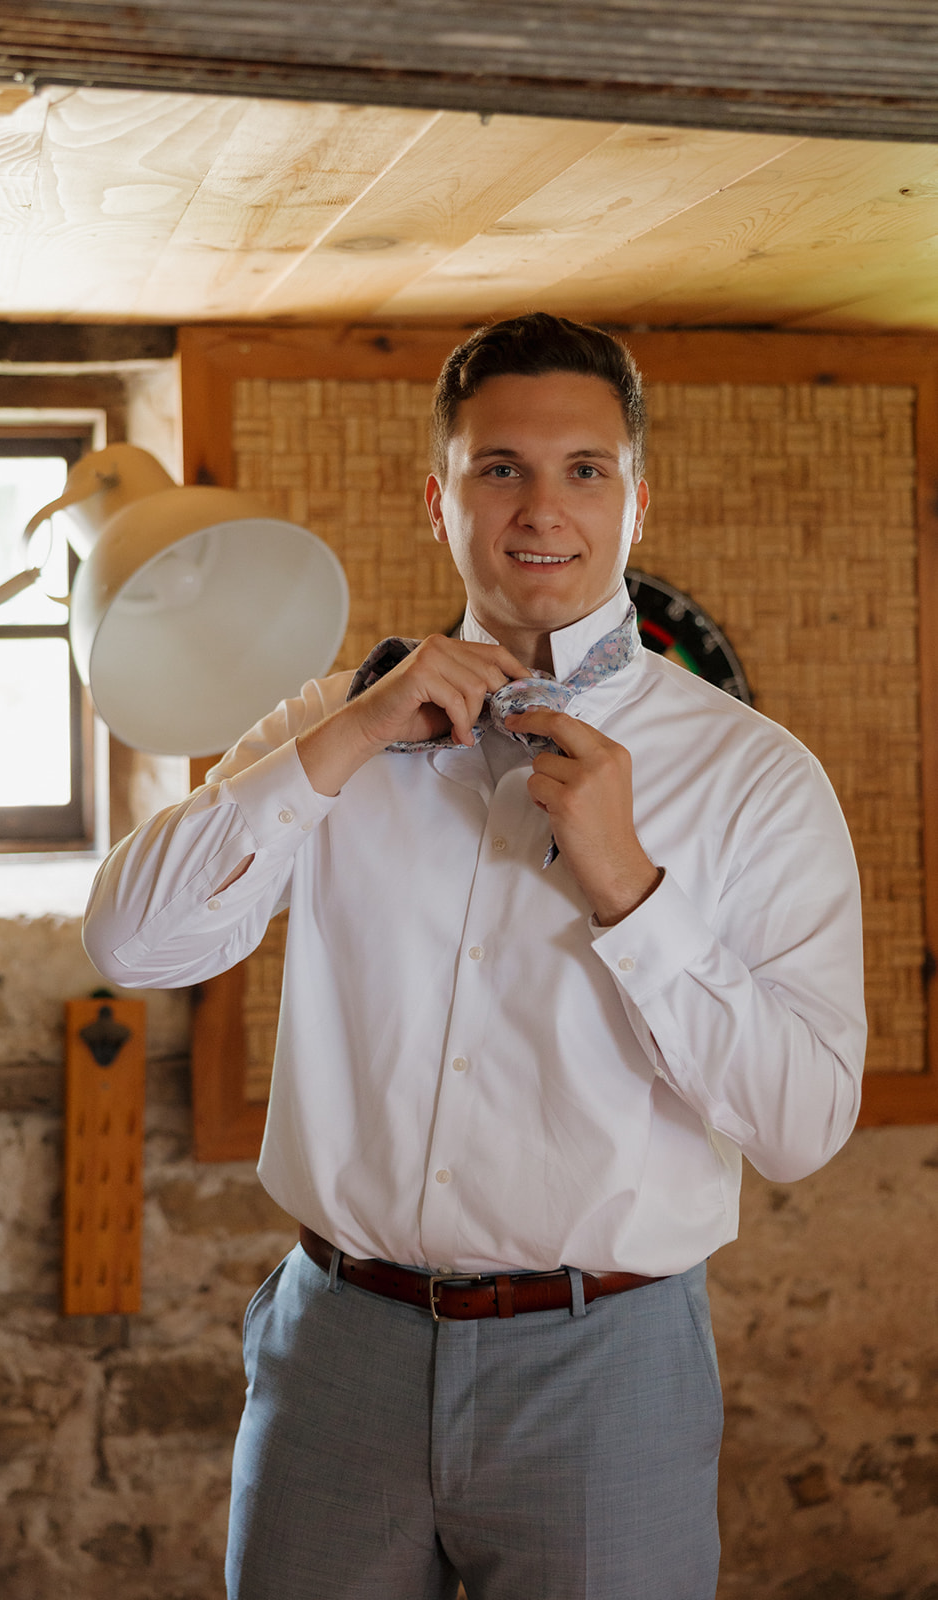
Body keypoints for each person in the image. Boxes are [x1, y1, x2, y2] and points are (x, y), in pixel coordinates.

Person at [82, 314, 866, 1600]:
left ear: (635, 497)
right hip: (333, 1350)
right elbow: (132, 937)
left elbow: (802, 1124)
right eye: (499, 467)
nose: (540, 508)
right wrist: (343, 739)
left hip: (605, 1368)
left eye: (583, 469)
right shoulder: (328, 723)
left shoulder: (756, 781)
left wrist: (630, 888)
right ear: (436, 498)